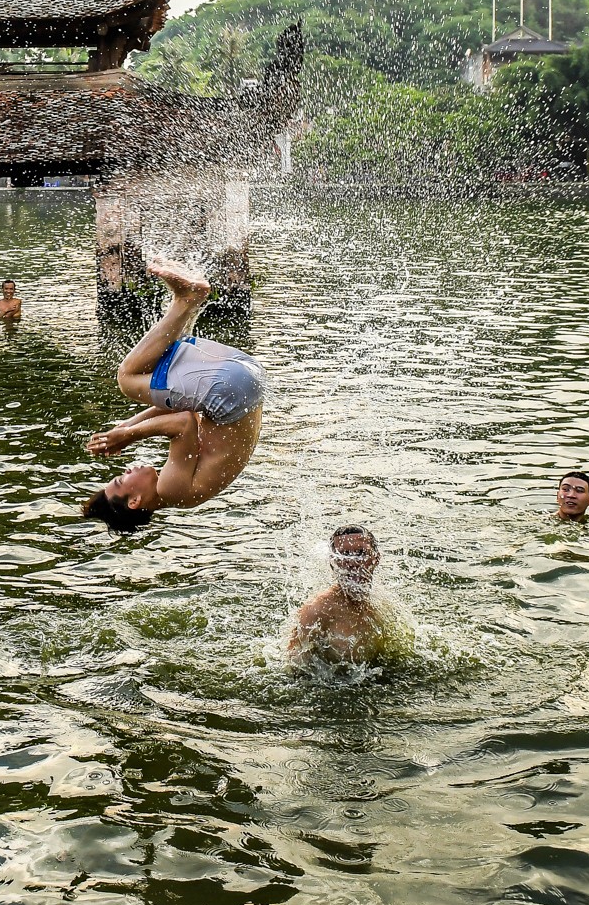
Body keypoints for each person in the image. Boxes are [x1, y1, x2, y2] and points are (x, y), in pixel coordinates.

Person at [83, 259, 265, 532]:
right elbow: (183, 421)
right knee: (127, 380)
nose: (127, 470)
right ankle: (187, 299)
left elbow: (180, 408)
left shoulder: (181, 488)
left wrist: (125, 427)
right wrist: (130, 435)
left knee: (151, 371)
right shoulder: (171, 491)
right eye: (121, 480)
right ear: (134, 501)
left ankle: (190, 299)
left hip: (245, 381)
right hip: (230, 394)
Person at [286, 527, 408, 667]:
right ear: (333, 562)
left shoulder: (384, 604)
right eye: (344, 555)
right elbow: (294, 667)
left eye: (361, 553)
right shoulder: (318, 610)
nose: (352, 562)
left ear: (376, 558)